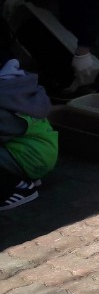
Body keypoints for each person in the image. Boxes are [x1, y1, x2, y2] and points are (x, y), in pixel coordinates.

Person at [0, 48, 56, 211]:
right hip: (38, 151)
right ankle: (23, 176)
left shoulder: (3, 97)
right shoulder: (16, 86)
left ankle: (15, 188)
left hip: (29, 156)